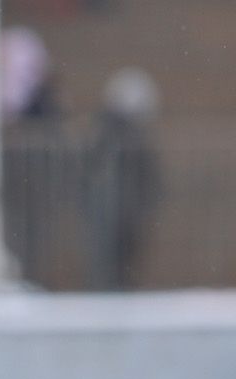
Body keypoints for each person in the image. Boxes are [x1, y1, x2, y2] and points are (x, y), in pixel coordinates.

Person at [82, 69, 160, 291]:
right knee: (110, 258)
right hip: (113, 206)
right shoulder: (109, 133)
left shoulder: (124, 134)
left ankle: (119, 288)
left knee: (123, 257)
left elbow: (147, 172)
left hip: (126, 206)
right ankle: (111, 288)